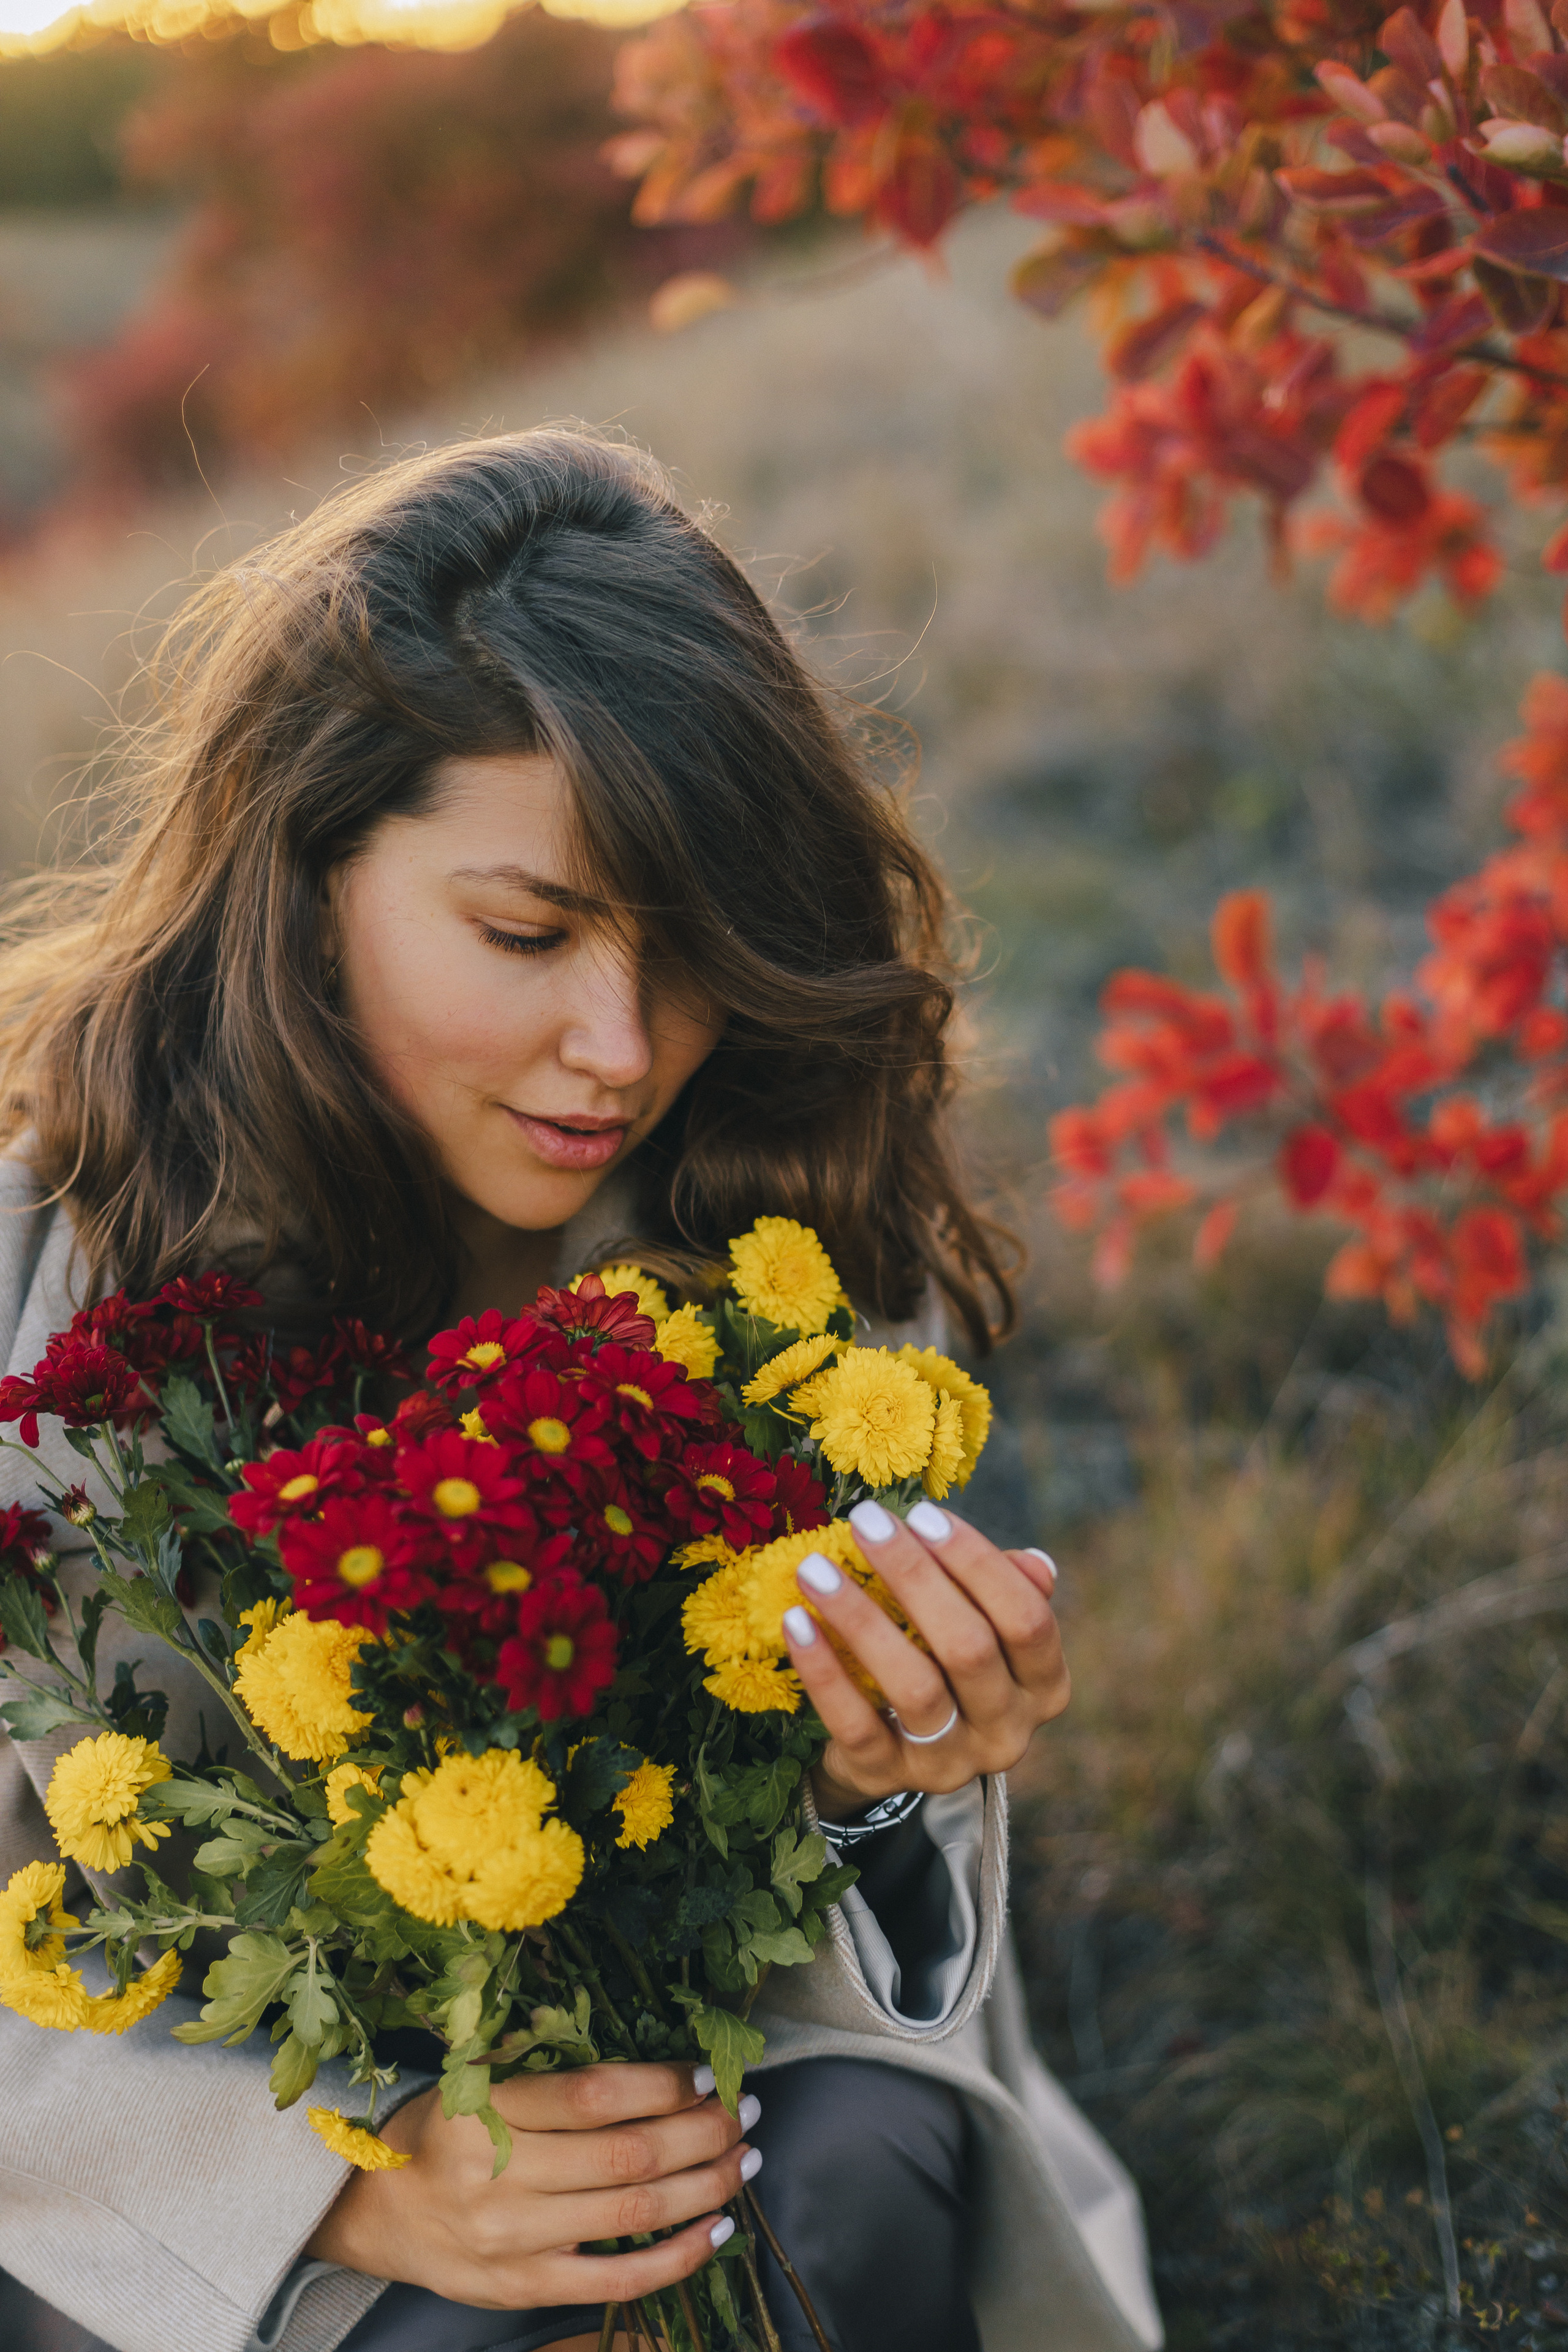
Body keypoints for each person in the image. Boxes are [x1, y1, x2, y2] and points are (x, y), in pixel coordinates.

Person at [0, 430, 1162, 2352]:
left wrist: (887, 1784)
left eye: (689, 946)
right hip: (151, 2221)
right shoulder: (49, 1260)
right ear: (305, 878)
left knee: (851, 2178)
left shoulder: (777, 1238)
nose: (622, 1050)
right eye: (524, 935)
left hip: (691, 2108)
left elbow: (861, 1978)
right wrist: (346, 2190)